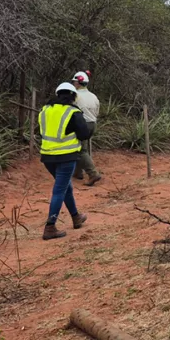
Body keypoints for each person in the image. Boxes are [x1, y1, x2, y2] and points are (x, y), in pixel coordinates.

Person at [39, 82, 93, 240]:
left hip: (47, 156)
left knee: (65, 186)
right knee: (59, 190)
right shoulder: (73, 112)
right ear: (73, 96)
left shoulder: (45, 110)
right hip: (66, 156)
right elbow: (84, 135)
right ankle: (50, 227)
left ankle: (76, 217)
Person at [70, 70, 102, 186]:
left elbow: (71, 111)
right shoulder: (93, 96)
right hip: (93, 124)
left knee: (80, 150)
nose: (73, 84)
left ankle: (93, 174)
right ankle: (78, 173)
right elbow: (97, 112)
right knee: (81, 147)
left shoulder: (76, 96)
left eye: (74, 82)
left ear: (78, 83)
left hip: (82, 124)